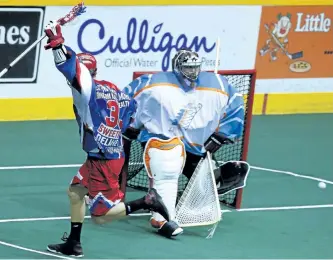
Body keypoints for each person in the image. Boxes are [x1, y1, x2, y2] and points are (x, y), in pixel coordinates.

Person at [43, 21, 169, 257]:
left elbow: (67, 67)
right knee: (75, 192)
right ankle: (74, 243)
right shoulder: (111, 88)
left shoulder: (85, 90)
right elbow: (130, 109)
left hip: (103, 161)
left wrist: (58, 45)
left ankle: (146, 202)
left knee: (101, 218)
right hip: (106, 154)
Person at [122, 48, 246, 238]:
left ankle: (214, 178)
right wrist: (131, 125)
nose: (192, 71)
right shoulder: (152, 83)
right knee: (166, 169)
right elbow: (126, 100)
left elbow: (236, 107)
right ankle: (162, 217)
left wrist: (221, 135)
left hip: (196, 144)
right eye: (187, 67)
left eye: (195, 67)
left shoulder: (218, 84)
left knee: (200, 183)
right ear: (177, 67)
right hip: (161, 140)